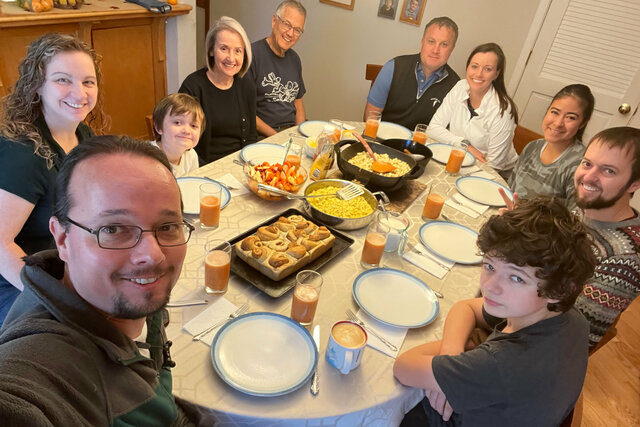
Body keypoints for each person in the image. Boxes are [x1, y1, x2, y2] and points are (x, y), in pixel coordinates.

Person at [0, 135, 209, 424]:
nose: (153, 255)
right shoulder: (41, 367)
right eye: (112, 229)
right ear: (62, 239)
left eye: (168, 226)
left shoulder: (121, 294)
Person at [394, 196, 596, 426]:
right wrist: (453, 355)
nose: (489, 286)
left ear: (558, 290)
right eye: (489, 266)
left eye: (516, 278)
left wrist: (466, 356)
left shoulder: (499, 365)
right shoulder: (570, 318)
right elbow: (467, 307)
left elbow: (404, 367)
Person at [0, 33, 105, 325]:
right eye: (63, 80)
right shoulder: (23, 153)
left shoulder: (82, 135)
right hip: (18, 284)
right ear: (37, 86)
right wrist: (53, 298)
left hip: (62, 264)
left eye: (88, 81)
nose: (79, 93)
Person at [571, 127, 640, 349]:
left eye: (608, 171)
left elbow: (574, 341)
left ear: (634, 184)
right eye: (587, 163)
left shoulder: (623, 259)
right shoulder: (588, 206)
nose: (588, 177)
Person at [427, 43, 518, 178]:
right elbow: (433, 128)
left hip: (497, 175)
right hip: (461, 159)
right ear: (467, 67)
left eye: (488, 69)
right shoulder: (460, 86)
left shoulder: (503, 110)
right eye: (474, 66)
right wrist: (465, 145)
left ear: (496, 74)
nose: (478, 74)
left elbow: (494, 166)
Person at [179, 16, 257, 163]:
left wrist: (250, 166)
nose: (231, 58)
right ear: (211, 50)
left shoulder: (247, 85)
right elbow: (184, 145)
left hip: (241, 164)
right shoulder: (193, 86)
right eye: (224, 48)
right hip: (205, 166)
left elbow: (251, 135)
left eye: (238, 51)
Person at [507, 84, 595, 210]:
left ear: (583, 123)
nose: (558, 123)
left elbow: (574, 222)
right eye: (555, 112)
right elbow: (509, 190)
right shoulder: (533, 147)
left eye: (570, 117)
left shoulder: (581, 166)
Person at [364, 17, 459, 131]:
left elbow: (447, 133)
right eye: (431, 41)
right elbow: (371, 116)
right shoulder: (393, 67)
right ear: (422, 41)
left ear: (452, 48)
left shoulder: (457, 87)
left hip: (421, 146)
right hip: (383, 141)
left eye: (444, 44)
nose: (435, 50)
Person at [249, 0, 307, 137]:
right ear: (274, 21)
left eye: (297, 30)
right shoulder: (252, 55)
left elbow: (298, 105)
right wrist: (277, 137)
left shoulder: (295, 60)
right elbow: (246, 112)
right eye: (287, 24)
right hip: (262, 136)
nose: (290, 33)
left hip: (290, 133)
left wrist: (301, 136)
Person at [150, 93, 205, 178]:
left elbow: (192, 184)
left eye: (193, 126)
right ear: (159, 127)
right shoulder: (148, 159)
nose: (186, 131)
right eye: (177, 123)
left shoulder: (191, 156)